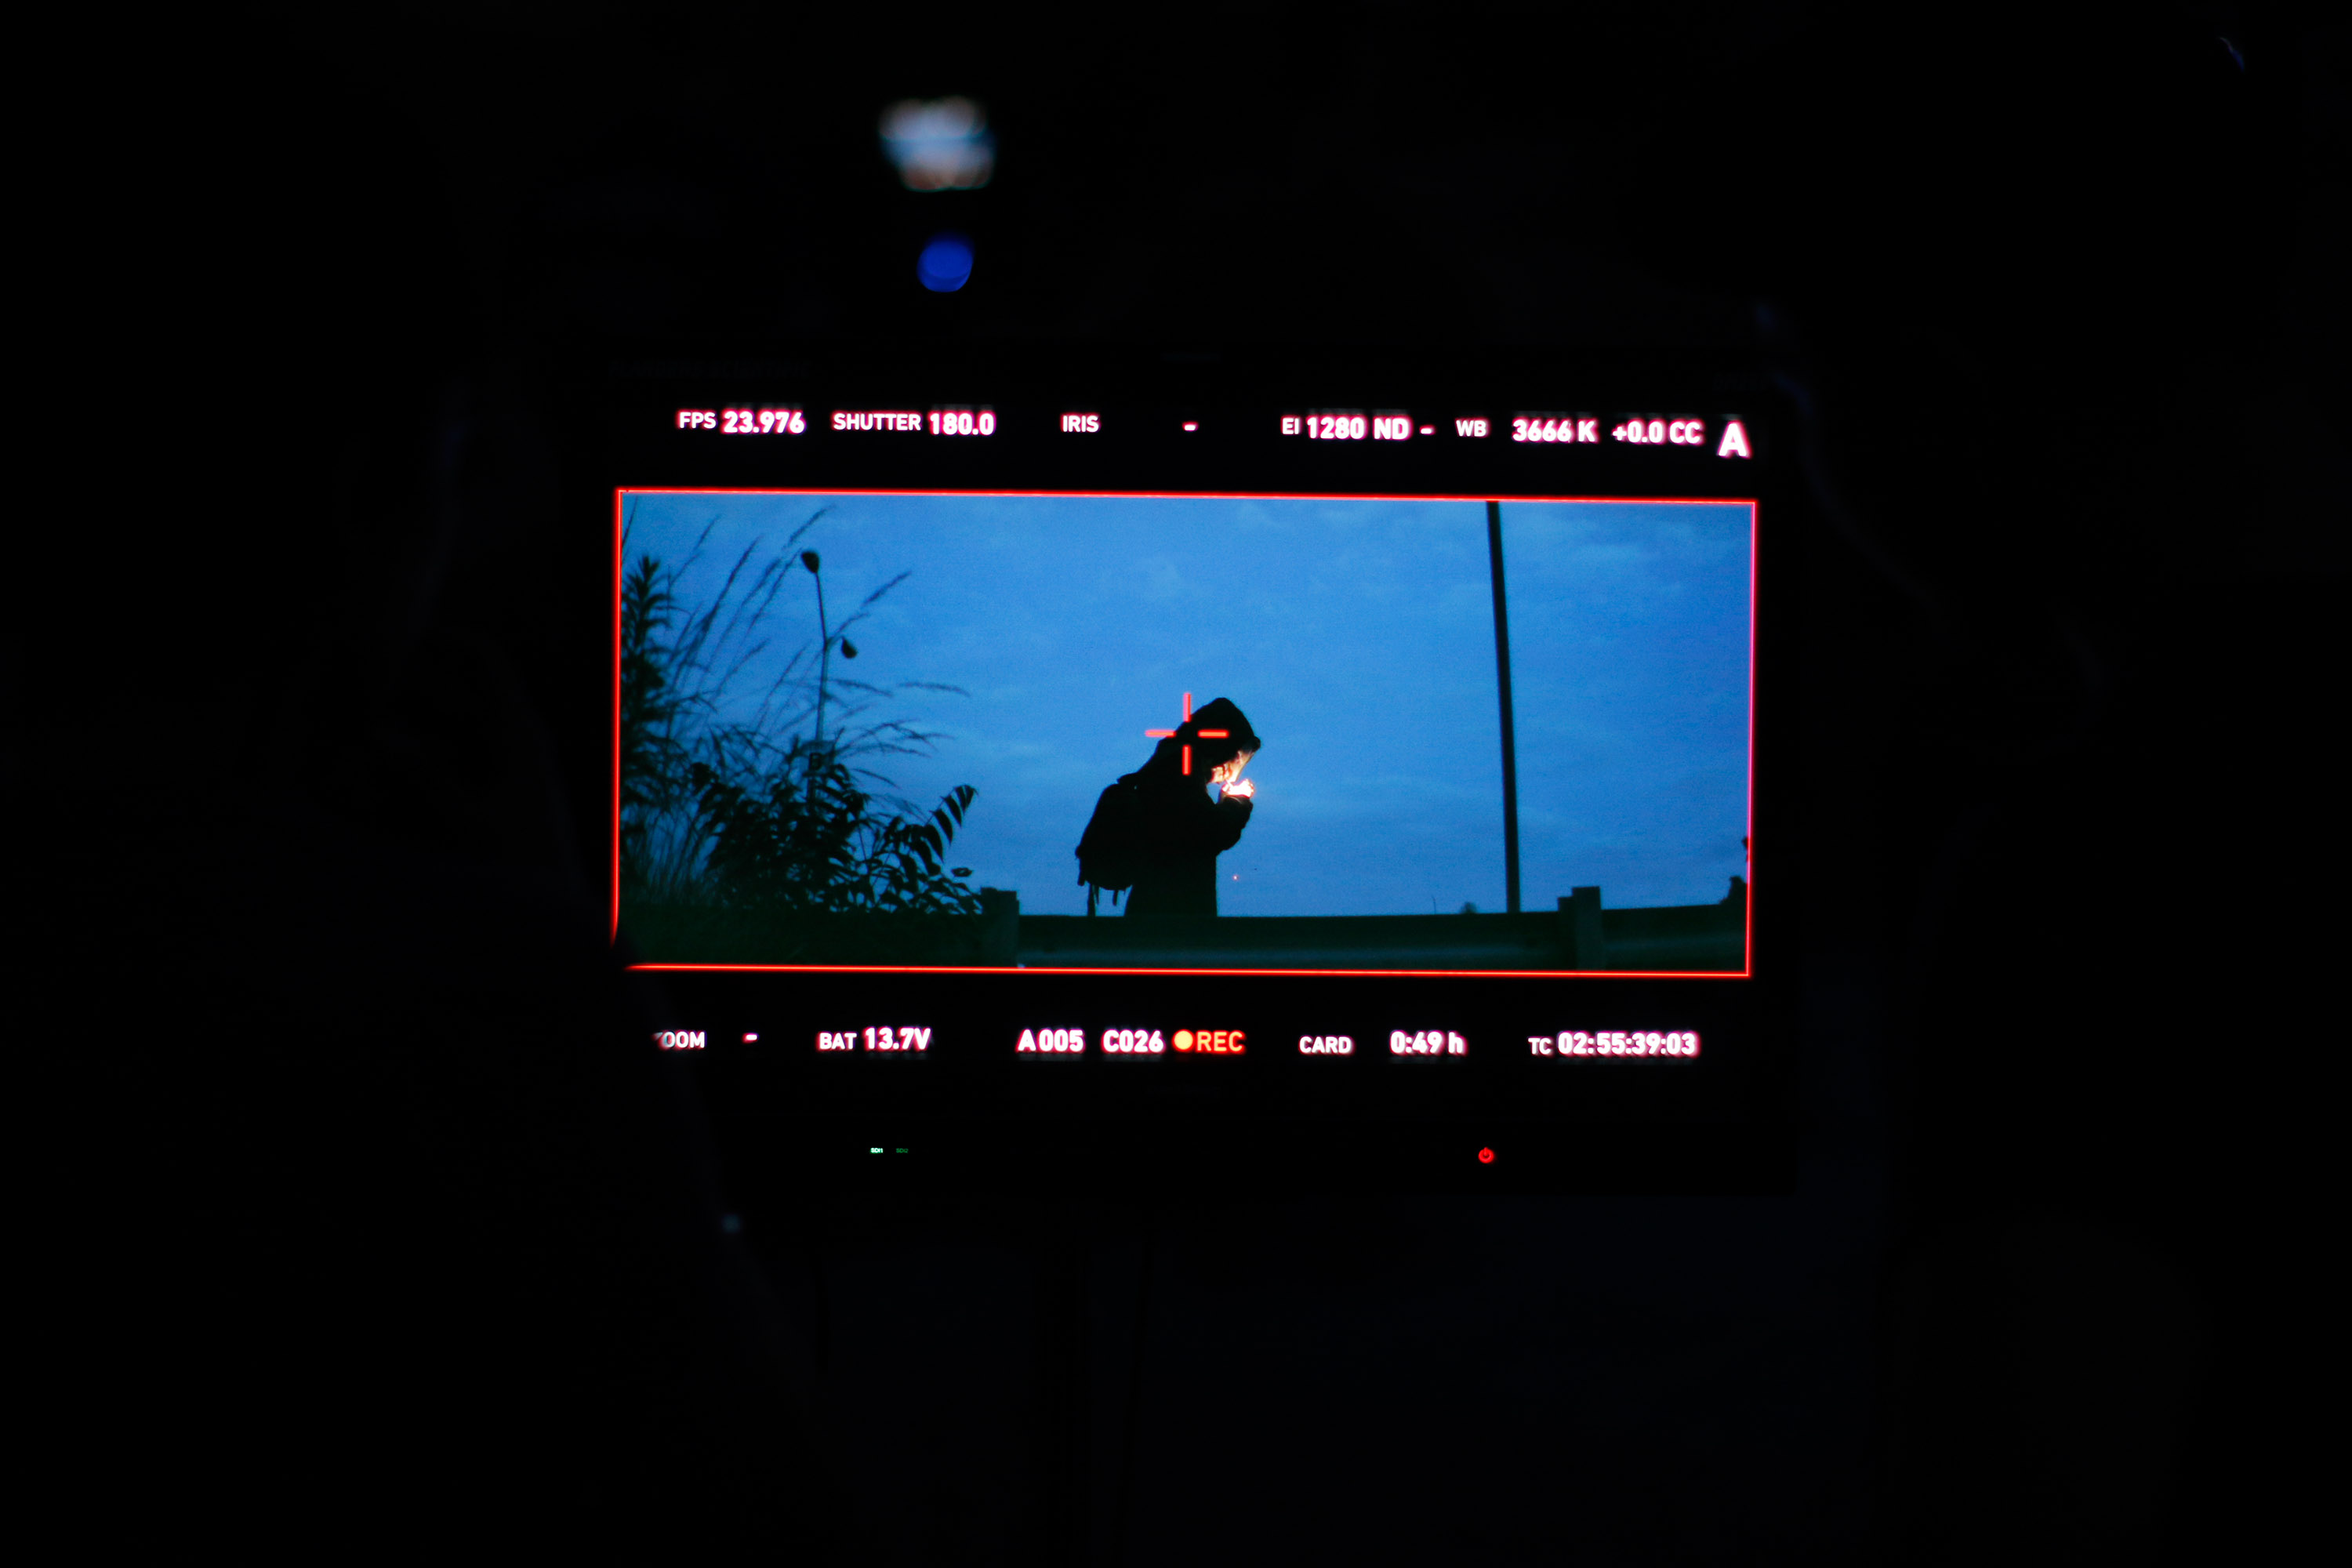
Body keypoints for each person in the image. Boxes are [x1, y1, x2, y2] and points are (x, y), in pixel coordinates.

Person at [1116, 697, 1260, 916]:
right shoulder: (1179, 767)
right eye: (1234, 754)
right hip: (1170, 910)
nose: (1232, 765)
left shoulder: (1175, 763)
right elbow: (1209, 833)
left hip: (1159, 903)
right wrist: (1237, 802)